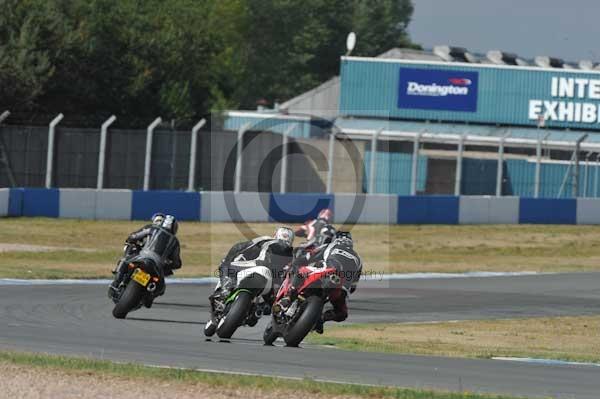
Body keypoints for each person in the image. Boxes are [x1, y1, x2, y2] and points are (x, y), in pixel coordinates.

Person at [284, 231, 362, 334]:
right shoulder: (359, 260)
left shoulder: (330, 246)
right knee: (342, 314)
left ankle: (289, 296)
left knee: (301, 271)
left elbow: (308, 257)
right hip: (340, 289)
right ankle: (321, 318)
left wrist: (295, 263)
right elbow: (353, 287)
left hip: (323, 274)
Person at [209, 227, 294, 318]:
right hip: (274, 280)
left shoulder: (267, 239)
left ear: (276, 234)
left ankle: (225, 289)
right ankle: (260, 309)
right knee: (274, 303)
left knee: (225, 265)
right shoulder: (292, 253)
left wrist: (228, 259)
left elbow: (239, 246)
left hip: (257, 265)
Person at [109, 214, 182, 305]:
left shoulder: (152, 228)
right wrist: (167, 265)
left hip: (142, 257)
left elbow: (134, 236)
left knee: (125, 261)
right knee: (160, 288)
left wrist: (131, 240)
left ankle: (115, 284)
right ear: (174, 228)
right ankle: (147, 297)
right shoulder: (175, 241)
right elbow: (177, 263)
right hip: (156, 266)